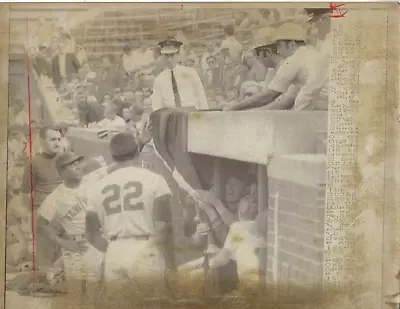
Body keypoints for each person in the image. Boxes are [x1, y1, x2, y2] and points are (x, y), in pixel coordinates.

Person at [85, 132, 176, 299]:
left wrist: (113, 249)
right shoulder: (154, 179)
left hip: (115, 250)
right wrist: (170, 264)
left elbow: (91, 234)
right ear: (137, 152)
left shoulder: (98, 186)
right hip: (145, 247)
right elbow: (163, 228)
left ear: (112, 155)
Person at [36, 151, 105, 300]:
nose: (78, 166)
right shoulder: (55, 197)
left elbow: (120, 165)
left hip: (97, 243)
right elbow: (40, 225)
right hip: (76, 247)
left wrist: (141, 144)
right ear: (62, 171)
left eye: (78, 163)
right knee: (76, 296)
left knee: (95, 296)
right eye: (73, 164)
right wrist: (64, 243)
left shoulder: (92, 179)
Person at [224, 23, 319, 111]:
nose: (278, 51)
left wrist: (237, 108)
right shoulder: (311, 52)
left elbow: (270, 97)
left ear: (292, 45)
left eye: (279, 46)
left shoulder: (294, 60)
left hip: (317, 110)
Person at [21, 126, 63, 268]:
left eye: (59, 139)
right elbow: (26, 194)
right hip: (44, 216)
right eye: (52, 139)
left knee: (64, 260)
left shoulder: (66, 160)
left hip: (65, 214)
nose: (57, 143)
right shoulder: (33, 163)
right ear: (42, 141)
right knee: (46, 260)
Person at [152, 38, 209, 110]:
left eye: (172, 55)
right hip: (171, 115)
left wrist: (204, 115)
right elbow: (157, 106)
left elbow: (201, 96)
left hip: (191, 113)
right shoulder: (159, 79)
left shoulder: (190, 73)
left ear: (178, 54)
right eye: (166, 56)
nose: (169, 59)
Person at [293, 8, 331, 111]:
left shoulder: (329, 45)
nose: (315, 26)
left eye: (315, 21)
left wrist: (297, 111)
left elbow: (312, 86)